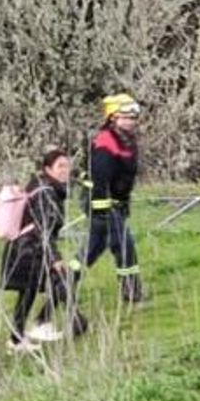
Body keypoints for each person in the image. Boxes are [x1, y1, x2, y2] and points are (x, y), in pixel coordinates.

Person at [1, 147, 86, 353]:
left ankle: (19, 338)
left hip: (23, 247)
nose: (65, 170)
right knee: (60, 280)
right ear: (48, 169)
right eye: (60, 166)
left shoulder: (41, 187)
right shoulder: (46, 193)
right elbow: (43, 229)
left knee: (28, 292)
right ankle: (69, 322)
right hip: (31, 249)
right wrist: (54, 257)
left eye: (67, 166)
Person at [83, 93, 144, 303]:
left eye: (133, 117)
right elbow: (100, 179)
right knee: (124, 245)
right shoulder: (105, 141)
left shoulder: (126, 140)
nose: (131, 121)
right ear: (113, 118)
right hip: (101, 202)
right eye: (126, 117)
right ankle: (132, 292)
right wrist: (102, 211)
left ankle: (64, 281)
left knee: (93, 250)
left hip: (114, 203)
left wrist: (123, 203)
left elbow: (124, 178)